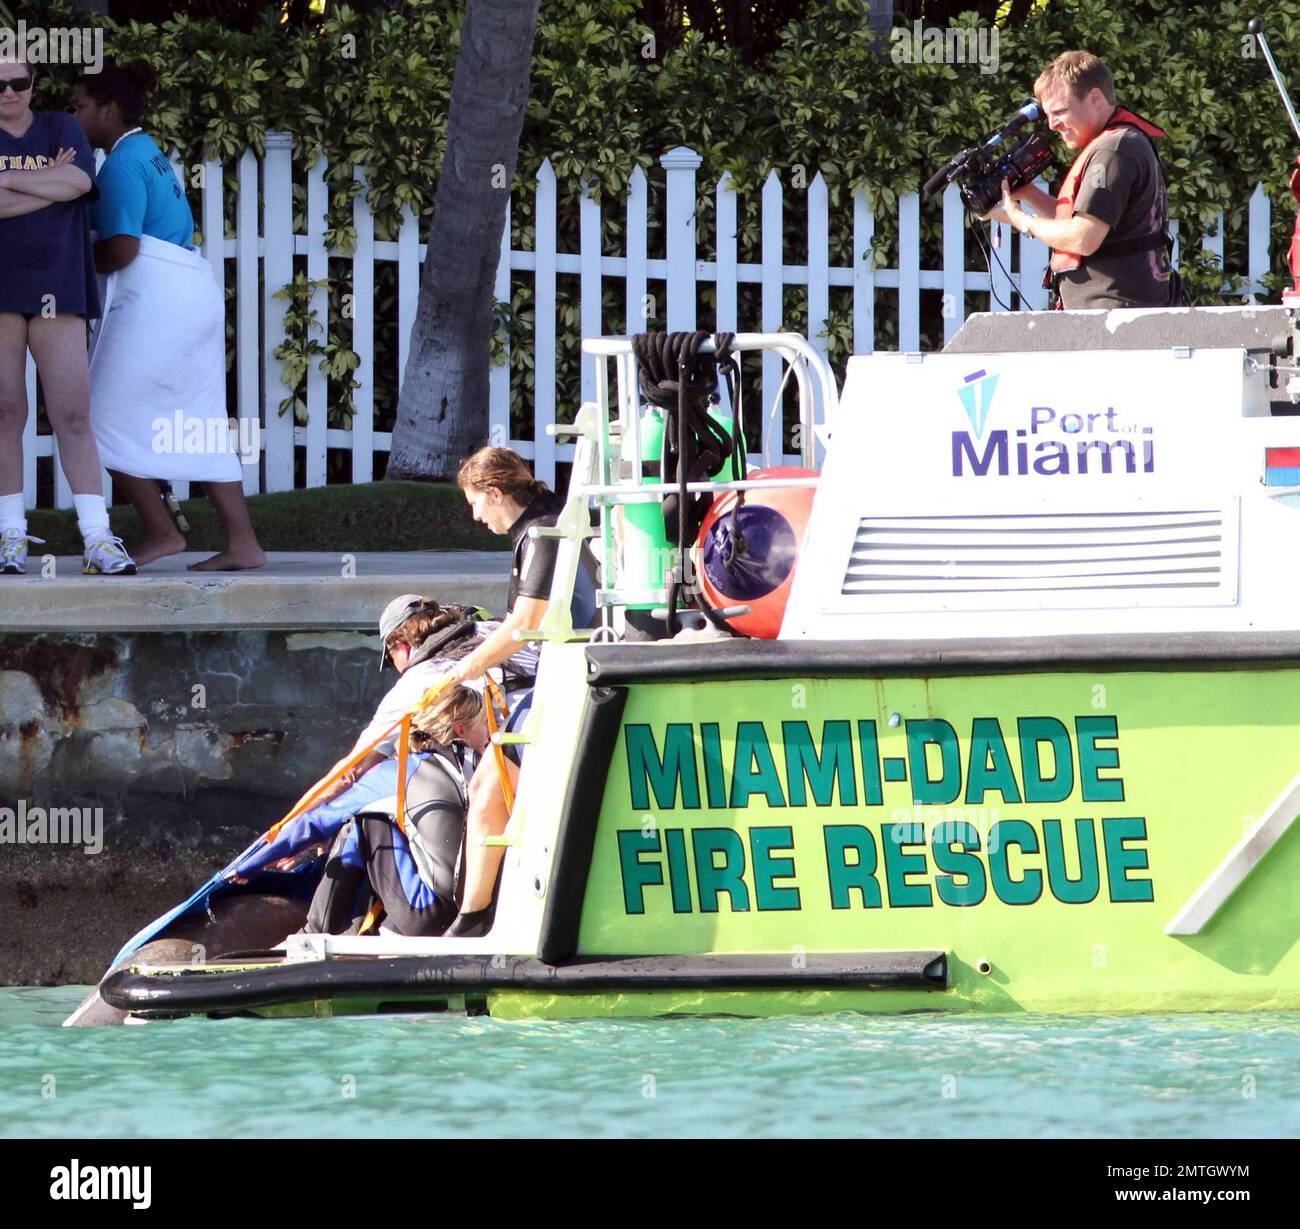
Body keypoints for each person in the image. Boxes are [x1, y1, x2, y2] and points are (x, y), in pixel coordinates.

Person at [72, 61, 265, 571]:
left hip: (157, 303)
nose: (76, 116)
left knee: (92, 417)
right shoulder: (147, 150)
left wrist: (67, 265)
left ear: (108, 110)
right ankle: (243, 543)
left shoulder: (120, 164)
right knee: (199, 419)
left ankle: (160, 532)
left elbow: (122, 249)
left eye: (81, 106)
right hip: (189, 294)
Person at [442, 446, 600, 937]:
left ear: (494, 493)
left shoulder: (541, 533)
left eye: (475, 502)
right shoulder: (547, 520)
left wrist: (463, 669)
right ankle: (478, 914)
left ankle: (473, 918)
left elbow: (526, 624)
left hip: (569, 678)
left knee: (488, 790)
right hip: (568, 673)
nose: (473, 514)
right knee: (490, 788)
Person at [0, 58, 135, 576]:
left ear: (33, 84)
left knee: (73, 414)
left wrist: (11, 179)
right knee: (6, 413)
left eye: (19, 81)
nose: (9, 91)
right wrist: (43, 180)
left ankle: (98, 538)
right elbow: (61, 185)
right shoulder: (51, 140)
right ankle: (10, 535)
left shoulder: (61, 125)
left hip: (59, 281)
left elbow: (79, 183)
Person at [226, 685, 489, 938]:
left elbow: (317, 823)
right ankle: (361, 929)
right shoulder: (481, 772)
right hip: (469, 909)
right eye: (485, 724)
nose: (490, 731)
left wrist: (253, 863)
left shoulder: (399, 773)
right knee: (395, 826)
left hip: (427, 914)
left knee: (362, 821)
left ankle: (314, 932)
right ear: (459, 729)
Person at [984, 50, 1183, 310]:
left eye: (1060, 111)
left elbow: (1083, 237)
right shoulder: (1120, 141)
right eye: (1048, 114)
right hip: (1121, 310)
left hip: (1119, 316)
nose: (1052, 125)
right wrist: (1027, 193)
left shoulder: (1113, 150)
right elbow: (1082, 220)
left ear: (1095, 99)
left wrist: (1020, 220)